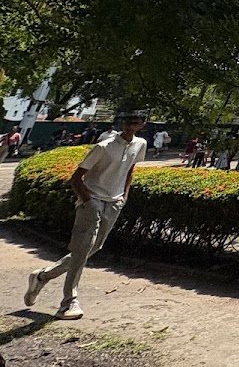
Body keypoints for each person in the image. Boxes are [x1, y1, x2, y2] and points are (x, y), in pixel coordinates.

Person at [23, 110, 148, 320]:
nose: (130, 126)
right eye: (127, 121)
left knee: (94, 247)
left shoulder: (140, 144)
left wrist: (123, 197)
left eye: (135, 123)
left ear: (142, 125)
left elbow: (130, 169)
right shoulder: (104, 146)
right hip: (92, 200)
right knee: (82, 250)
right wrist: (88, 202)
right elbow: (76, 178)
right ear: (122, 122)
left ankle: (43, 276)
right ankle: (68, 302)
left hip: (114, 202)